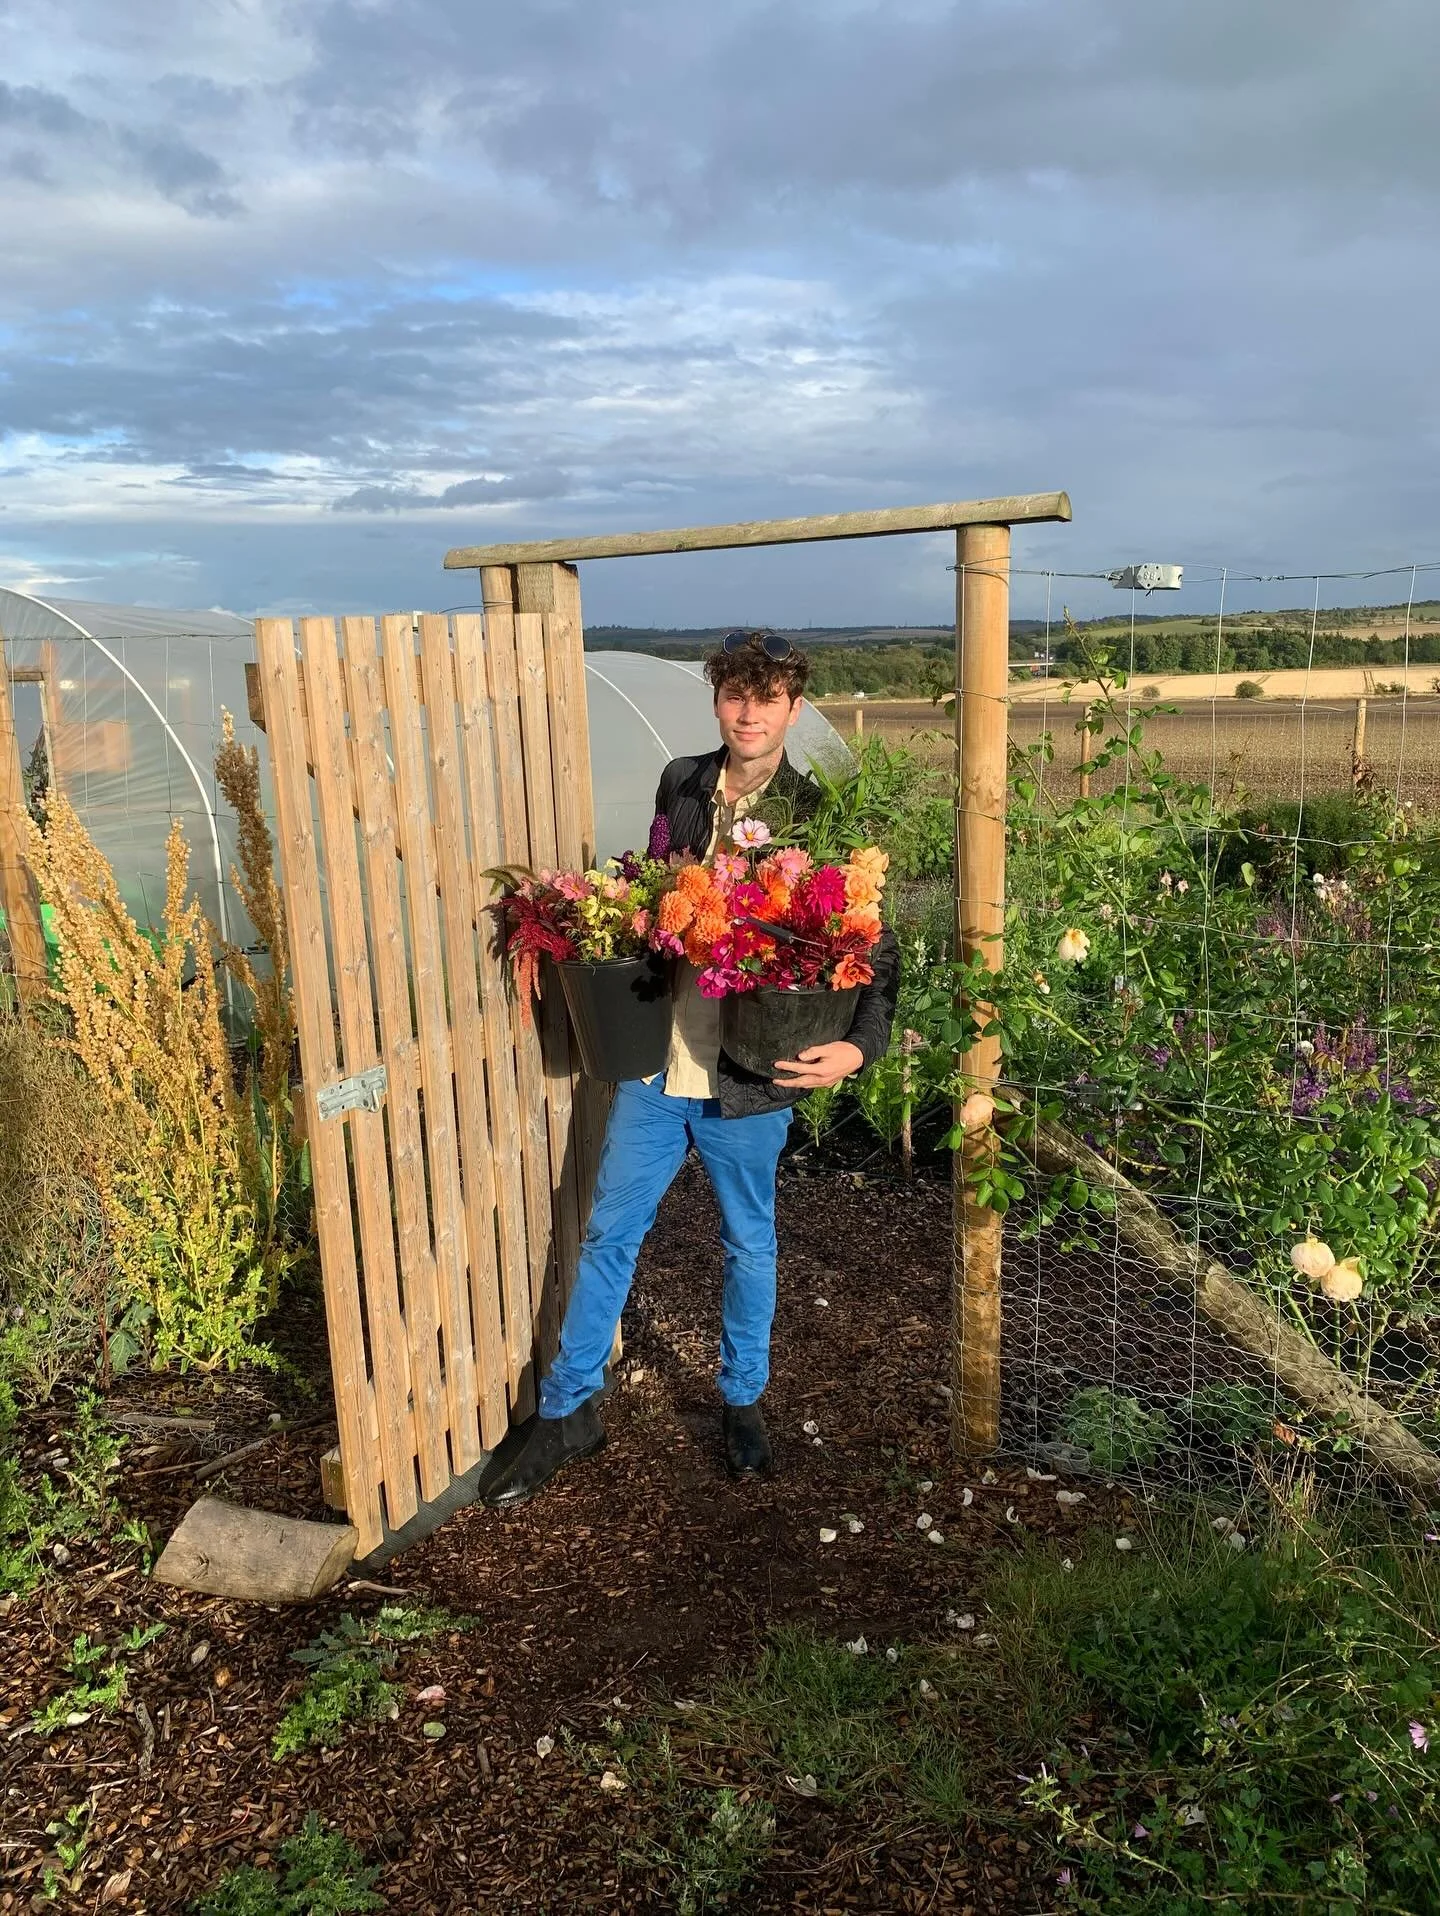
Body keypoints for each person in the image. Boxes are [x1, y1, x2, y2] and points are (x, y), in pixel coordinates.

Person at [476, 631, 899, 1508]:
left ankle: (742, 1401)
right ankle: (569, 1411)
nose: (749, 712)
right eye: (735, 694)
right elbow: (653, 894)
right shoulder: (684, 782)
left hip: (753, 1072)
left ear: (792, 707)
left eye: (769, 697)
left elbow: (870, 942)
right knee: (607, 1234)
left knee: (749, 1243)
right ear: (718, 700)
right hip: (659, 1064)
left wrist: (860, 1045)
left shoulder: (818, 813)